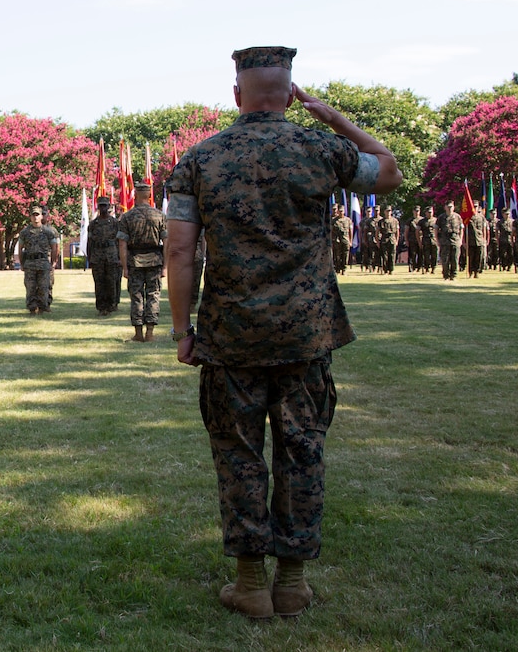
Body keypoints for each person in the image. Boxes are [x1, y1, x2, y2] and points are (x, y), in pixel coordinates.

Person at [165, 46, 401, 620]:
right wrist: (330, 116)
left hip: (231, 334)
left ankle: (249, 585)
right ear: (291, 93)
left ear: (237, 94)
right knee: (303, 449)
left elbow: (178, 249)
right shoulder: (321, 148)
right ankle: (291, 582)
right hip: (306, 334)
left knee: (238, 454)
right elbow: (388, 171)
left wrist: (181, 328)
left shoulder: (200, 159)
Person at [118, 183, 166, 341]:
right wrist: (165, 266)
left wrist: (125, 267)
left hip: (135, 262)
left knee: (136, 297)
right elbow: (167, 243)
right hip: (155, 261)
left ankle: (138, 333)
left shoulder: (127, 217)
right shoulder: (159, 216)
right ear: (150, 196)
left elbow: (123, 244)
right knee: (153, 295)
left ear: (136, 195)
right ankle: (150, 333)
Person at [16, 206, 59, 314]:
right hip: (30, 263)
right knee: (30, 287)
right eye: (33, 215)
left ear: (41, 216)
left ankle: (42, 307)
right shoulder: (25, 232)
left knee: (43, 287)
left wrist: (53, 262)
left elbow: (55, 247)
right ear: (30, 217)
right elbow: (20, 248)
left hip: (43, 263)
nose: (35, 217)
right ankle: (32, 308)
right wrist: (21, 263)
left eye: (37, 215)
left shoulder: (48, 232)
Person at [85, 195, 121, 315]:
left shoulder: (115, 223)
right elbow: (90, 242)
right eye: (101, 206)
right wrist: (89, 258)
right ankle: (101, 307)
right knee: (99, 283)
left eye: (105, 206)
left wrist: (121, 258)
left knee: (111, 282)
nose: (103, 208)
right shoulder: (93, 224)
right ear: (98, 207)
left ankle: (111, 305)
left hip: (111, 256)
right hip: (97, 256)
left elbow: (120, 241)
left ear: (109, 206)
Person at [436, 201, 463, 280]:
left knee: (455, 259)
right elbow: (436, 229)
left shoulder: (458, 217)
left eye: (451, 207)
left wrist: (461, 239)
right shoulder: (441, 217)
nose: (450, 208)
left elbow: (461, 229)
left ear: (453, 207)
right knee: (445, 259)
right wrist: (437, 240)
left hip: (455, 240)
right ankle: (446, 275)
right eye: (448, 207)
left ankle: (453, 275)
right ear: (445, 208)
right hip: (444, 241)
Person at [466, 201, 489, 278]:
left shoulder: (481, 217)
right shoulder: (467, 217)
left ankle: (476, 272)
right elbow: (463, 229)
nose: (474, 208)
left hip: (479, 240)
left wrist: (484, 240)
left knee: (478, 257)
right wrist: (463, 241)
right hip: (470, 241)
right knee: (470, 258)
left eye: (476, 206)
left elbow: (484, 229)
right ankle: (470, 272)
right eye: (473, 206)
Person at [331, 204, 352, 275]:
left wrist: (350, 241)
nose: (341, 212)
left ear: (344, 211)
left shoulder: (348, 220)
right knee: (337, 255)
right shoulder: (334, 220)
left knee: (345, 255)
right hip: (337, 240)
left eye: (342, 211)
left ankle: (344, 269)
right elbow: (331, 231)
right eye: (339, 211)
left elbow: (350, 231)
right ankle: (338, 268)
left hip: (345, 239)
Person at [378, 205, 399, 274]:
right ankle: (385, 269)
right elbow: (377, 232)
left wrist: (397, 240)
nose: (388, 212)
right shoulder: (381, 221)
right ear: (384, 212)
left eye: (389, 211)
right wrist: (378, 241)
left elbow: (397, 232)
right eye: (387, 211)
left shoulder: (395, 221)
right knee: (384, 255)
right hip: (384, 239)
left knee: (392, 255)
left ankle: (391, 269)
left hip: (392, 239)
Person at [419, 206, 437, 274]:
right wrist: (419, 241)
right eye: (428, 212)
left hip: (434, 240)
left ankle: (433, 268)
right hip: (425, 240)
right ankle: (426, 268)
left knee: (434, 255)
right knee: (426, 255)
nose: (430, 214)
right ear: (425, 213)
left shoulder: (436, 220)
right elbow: (418, 231)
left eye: (431, 212)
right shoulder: (422, 221)